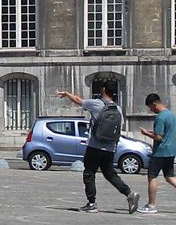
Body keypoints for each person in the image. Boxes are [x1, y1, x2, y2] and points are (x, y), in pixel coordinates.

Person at [54, 82, 139, 213]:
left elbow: (78, 100)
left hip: (95, 145)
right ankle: (129, 193)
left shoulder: (96, 104)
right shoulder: (118, 109)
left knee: (89, 173)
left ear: (104, 90)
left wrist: (66, 94)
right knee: (109, 173)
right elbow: (118, 128)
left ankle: (91, 203)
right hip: (110, 147)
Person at [135, 92, 176, 214]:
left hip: (160, 152)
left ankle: (151, 204)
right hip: (171, 151)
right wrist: (154, 132)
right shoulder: (172, 115)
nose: (151, 110)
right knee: (170, 177)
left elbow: (159, 137)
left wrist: (146, 133)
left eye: (150, 107)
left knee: (152, 176)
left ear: (154, 105)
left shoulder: (160, 117)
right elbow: (174, 132)